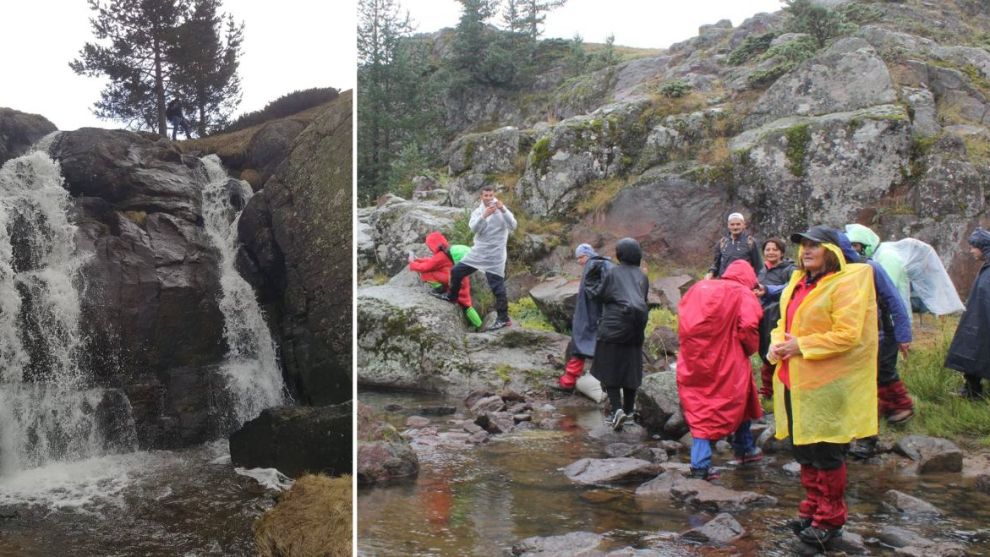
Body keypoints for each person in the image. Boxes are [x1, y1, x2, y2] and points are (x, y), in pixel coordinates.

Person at [767, 225, 878, 550]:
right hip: (794, 382)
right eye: (803, 246)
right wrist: (776, 345)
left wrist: (802, 345)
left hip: (826, 384)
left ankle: (830, 520)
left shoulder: (845, 283)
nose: (807, 251)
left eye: (815, 245)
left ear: (833, 250)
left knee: (826, 453)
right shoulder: (796, 283)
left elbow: (847, 334)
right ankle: (812, 510)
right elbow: (781, 324)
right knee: (804, 451)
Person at [677, 260, 765, 481]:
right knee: (731, 397)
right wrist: (749, 348)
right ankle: (700, 466)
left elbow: (684, 319)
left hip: (695, 358)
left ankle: (744, 447)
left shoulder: (699, 287)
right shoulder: (744, 293)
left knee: (700, 404)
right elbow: (748, 326)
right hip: (728, 357)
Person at [843, 225, 914, 426]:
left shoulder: (876, 265)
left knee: (884, 369)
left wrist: (903, 335)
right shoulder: (848, 269)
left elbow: (894, 300)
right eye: (851, 246)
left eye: (857, 245)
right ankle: (885, 408)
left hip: (886, 328)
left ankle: (902, 406)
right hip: (867, 330)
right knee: (873, 370)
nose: (854, 249)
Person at [588, 238, 649, 431]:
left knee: (609, 368)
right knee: (631, 369)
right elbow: (643, 299)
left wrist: (591, 274)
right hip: (636, 329)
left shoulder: (613, 273)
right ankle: (629, 412)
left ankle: (617, 411)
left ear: (620, 254)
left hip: (613, 328)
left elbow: (599, 294)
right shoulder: (642, 276)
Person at [439, 186, 517, 330]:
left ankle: (503, 318)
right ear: (481, 197)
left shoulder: (502, 209)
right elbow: (474, 229)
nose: (489, 198)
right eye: (486, 195)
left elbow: (513, 225)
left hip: (496, 254)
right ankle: (452, 296)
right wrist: (484, 216)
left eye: (491, 195)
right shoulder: (477, 212)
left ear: (494, 195)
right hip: (479, 252)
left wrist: (504, 210)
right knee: (456, 271)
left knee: (497, 286)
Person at [559, 243, 613, 390]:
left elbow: (597, 292)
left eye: (580, 257)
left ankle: (568, 382)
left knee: (580, 347)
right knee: (593, 348)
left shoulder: (593, 264)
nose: (579, 261)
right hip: (597, 315)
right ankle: (604, 384)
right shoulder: (604, 265)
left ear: (587, 254)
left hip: (590, 316)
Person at [945, 228, 990, 399]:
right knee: (973, 352)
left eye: (973, 247)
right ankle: (971, 390)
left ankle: (973, 392)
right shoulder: (986, 267)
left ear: (983, 247)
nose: (971, 251)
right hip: (978, 322)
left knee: (979, 351)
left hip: (984, 322)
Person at [409, 231, 482, 329]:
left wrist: (412, 264)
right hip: (463, 281)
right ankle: (479, 325)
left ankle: (439, 289)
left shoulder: (441, 256)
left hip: (452, 281)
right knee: (467, 306)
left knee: (427, 273)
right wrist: (419, 260)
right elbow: (433, 261)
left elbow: (426, 267)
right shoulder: (449, 251)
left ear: (432, 245)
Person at [753, 237, 796, 399]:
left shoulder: (790, 269)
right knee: (764, 351)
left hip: (780, 317)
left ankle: (779, 390)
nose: (771, 252)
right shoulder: (761, 271)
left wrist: (768, 290)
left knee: (778, 350)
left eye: (775, 249)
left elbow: (792, 287)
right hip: (762, 317)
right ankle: (767, 389)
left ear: (782, 253)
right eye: (768, 249)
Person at [706, 212, 762, 279]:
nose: (735, 227)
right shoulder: (722, 242)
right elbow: (716, 264)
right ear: (728, 226)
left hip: (743, 283)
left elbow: (758, 266)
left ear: (744, 225)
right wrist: (711, 273)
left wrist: (759, 282)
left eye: (738, 224)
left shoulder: (750, 242)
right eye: (732, 224)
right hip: (724, 282)